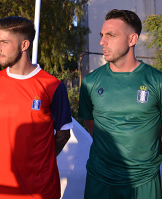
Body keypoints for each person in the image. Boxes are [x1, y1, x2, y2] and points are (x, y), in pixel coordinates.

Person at [0, 16, 73, 199]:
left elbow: (63, 134)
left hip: (41, 190)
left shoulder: (53, 86)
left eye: (4, 42)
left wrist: (41, 162)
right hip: (2, 189)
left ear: (24, 45)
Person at [79, 9, 162, 199]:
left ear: (132, 39)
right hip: (99, 178)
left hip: (144, 180)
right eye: (102, 35)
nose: (102, 42)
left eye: (111, 35)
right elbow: (91, 124)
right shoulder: (90, 82)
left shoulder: (157, 81)